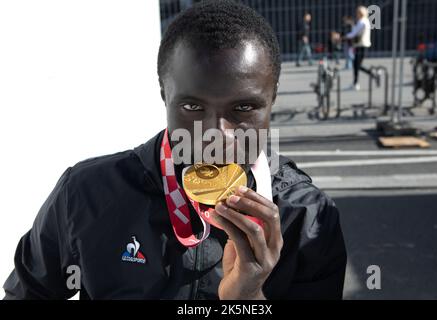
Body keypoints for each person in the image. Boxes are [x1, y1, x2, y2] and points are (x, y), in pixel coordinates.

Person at [3, 1, 347, 300]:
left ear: (271, 100)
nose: (217, 136)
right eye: (193, 108)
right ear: (163, 94)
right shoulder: (85, 193)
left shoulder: (307, 219)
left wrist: (247, 296)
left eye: (243, 109)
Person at [344, 6, 376, 90]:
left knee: (356, 65)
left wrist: (344, 37)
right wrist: (352, 24)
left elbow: (354, 33)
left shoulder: (362, 22)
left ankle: (357, 83)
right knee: (356, 65)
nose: (356, 14)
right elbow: (355, 31)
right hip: (361, 45)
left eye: (357, 13)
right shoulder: (363, 21)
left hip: (361, 45)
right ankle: (368, 75)